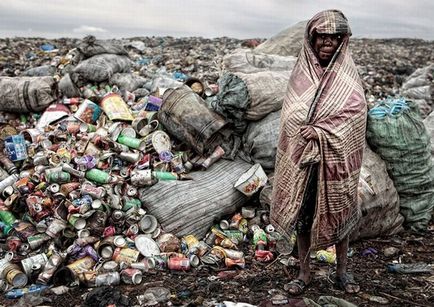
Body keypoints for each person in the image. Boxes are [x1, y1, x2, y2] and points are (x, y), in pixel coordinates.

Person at [271, 9, 367, 295]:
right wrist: (304, 130)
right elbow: (291, 115)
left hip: (337, 161)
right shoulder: (302, 75)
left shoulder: (347, 77)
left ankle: (342, 272)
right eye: (321, 38)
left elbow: (356, 113)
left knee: (340, 211)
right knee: (303, 213)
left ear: (343, 41)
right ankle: (304, 272)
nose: (326, 44)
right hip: (304, 161)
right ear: (311, 41)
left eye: (333, 38)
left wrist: (322, 131)